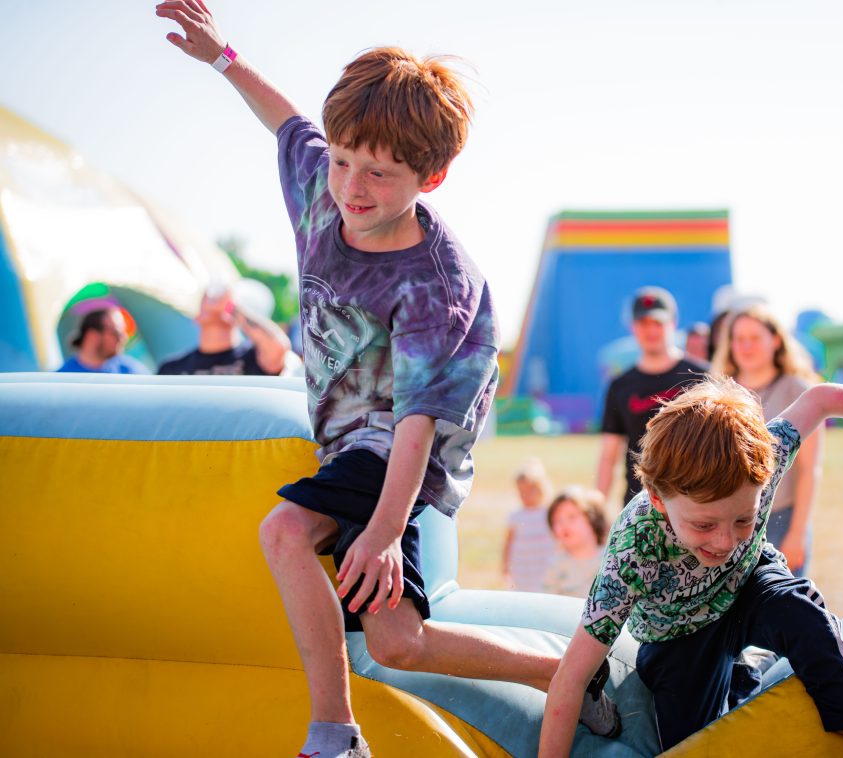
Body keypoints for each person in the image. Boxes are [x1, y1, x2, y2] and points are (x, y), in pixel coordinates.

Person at [156, 3, 617, 756]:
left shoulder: (434, 282)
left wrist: (381, 531)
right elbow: (286, 122)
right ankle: (561, 671)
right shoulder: (322, 182)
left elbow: (417, 421)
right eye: (344, 161)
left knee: (284, 533)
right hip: (347, 437)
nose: (353, 186)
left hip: (401, 441)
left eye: (380, 173)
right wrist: (221, 56)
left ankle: (335, 734)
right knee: (398, 643)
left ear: (429, 176)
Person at [539, 375, 843, 756]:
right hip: (679, 634)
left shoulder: (765, 453)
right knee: (691, 742)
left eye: (743, 517)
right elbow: (571, 677)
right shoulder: (631, 552)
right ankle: (744, 672)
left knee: (802, 612)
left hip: (749, 582)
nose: (722, 539)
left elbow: (822, 399)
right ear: (660, 501)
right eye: (703, 525)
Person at [711, 304, 821, 577]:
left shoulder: (799, 390)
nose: (746, 346)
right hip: (729, 520)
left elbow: (809, 470)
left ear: (775, 340)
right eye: (739, 339)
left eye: (755, 338)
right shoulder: (718, 391)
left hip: (781, 517)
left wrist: (797, 533)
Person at [596, 286, 707, 505]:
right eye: (643, 323)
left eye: (657, 323)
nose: (651, 331)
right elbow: (608, 456)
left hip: (695, 503)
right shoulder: (620, 386)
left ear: (673, 324)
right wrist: (597, 509)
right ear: (632, 327)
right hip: (640, 506)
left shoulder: (702, 378)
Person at [158, 286, 293, 375]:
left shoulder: (252, 358)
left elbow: (279, 346)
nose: (214, 302)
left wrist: (232, 306)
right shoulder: (172, 368)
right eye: (207, 300)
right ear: (197, 317)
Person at [502, 458, 556, 592]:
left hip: (544, 566)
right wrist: (505, 566)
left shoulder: (549, 513)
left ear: (541, 488)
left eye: (530, 491)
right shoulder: (515, 517)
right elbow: (508, 542)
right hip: (523, 567)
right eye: (521, 491)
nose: (525, 495)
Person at [543, 487, 608, 597]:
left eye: (571, 517)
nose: (564, 525)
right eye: (557, 520)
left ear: (592, 518)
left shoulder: (610, 561)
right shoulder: (556, 566)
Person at [58, 308, 148, 374]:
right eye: (116, 332)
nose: (124, 338)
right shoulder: (61, 379)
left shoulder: (133, 373)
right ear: (92, 336)